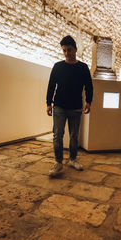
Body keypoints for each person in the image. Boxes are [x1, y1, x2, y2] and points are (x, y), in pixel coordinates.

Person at [46, 35, 93, 177]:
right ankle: (58, 162)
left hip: (76, 107)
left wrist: (89, 102)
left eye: (69, 50)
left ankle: (72, 159)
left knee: (74, 135)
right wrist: (48, 103)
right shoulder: (58, 66)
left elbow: (89, 86)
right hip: (59, 106)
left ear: (75, 49)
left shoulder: (83, 67)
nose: (67, 53)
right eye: (64, 50)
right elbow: (51, 86)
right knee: (57, 135)